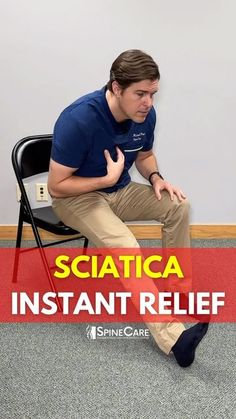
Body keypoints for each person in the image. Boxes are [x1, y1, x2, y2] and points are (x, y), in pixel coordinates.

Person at [48, 49, 208, 367]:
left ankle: (177, 291)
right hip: (77, 198)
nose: (148, 102)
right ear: (116, 88)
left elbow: (145, 155)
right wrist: (102, 180)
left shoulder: (144, 115)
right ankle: (174, 338)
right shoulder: (79, 118)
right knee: (125, 245)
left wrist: (157, 177)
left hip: (118, 190)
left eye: (152, 94)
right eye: (140, 94)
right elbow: (56, 186)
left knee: (178, 205)